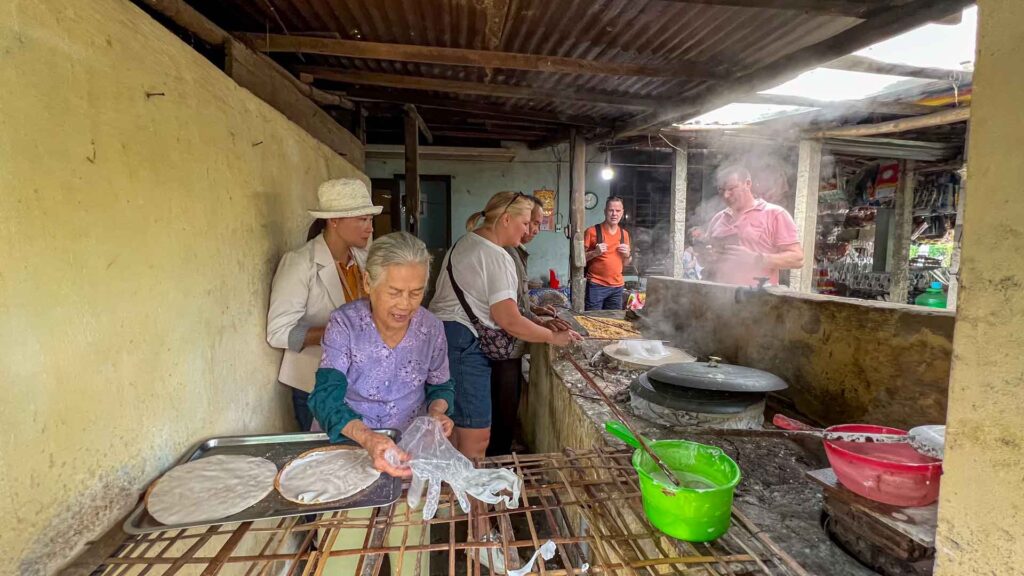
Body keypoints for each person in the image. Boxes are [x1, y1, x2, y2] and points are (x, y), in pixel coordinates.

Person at [309, 231, 454, 477]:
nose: (405, 304)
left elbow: (441, 386)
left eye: (416, 293)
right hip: (349, 443)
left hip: (407, 450)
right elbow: (325, 397)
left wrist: (436, 413)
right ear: (368, 283)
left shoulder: (431, 328)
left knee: (405, 513)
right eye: (395, 292)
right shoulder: (345, 325)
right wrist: (367, 438)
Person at [267, 178, 380, 431]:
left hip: (358, 382)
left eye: (370, 219)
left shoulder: (364, 260)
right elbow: (278, 332)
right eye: (362, 219)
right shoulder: (299, 263)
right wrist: (338, 333)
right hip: (314, 383)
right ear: (334, 220)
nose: (369, 228)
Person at [488, 196, 572, 456]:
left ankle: (499, 451)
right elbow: (508, 314)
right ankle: (497, 460)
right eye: (529, 222)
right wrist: (549, 334)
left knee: (506, 405)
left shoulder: (513, 251)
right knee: (502, 407)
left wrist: (535, 311)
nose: (531, 230)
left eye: (535, 224)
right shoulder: (503, 252)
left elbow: (514, 299)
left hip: (508, 342)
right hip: (503, 345)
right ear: (507, 219)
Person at [704, 165, 804, 287]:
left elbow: (797, 259)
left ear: (747, 183)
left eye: (731, 189)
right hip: (720, 296)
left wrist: (757, 259)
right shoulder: (718, 218)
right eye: (721, 190)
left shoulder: (775, 214)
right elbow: (706, 259)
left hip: (759, 299)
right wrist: (708, 255)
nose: (726, 195)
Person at [584, 196, 632, 310]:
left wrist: (627, 256)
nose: (614, 214)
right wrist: (595, 253)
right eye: (611, 210)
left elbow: (625, 263)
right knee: (593, 321)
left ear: (622, 212)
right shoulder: (592, 231)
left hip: (617, 287)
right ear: (605, 211)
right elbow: (579, 260)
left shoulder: (624, 234)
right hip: (596, 286)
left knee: (613, 322)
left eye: (618, 210)